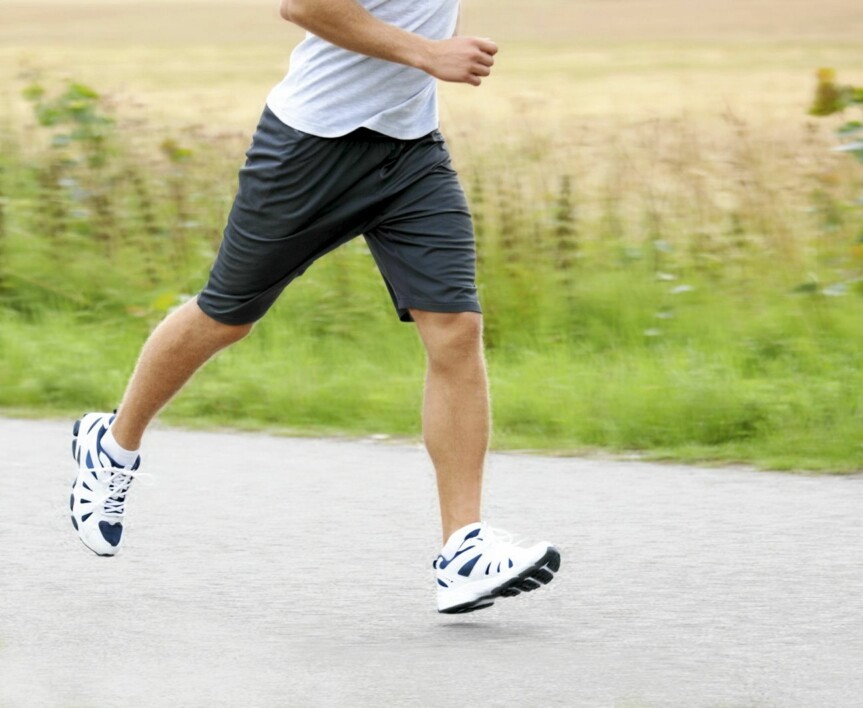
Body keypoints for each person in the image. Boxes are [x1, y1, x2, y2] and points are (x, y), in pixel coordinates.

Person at [68, 0, 560, 614]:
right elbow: (302, 4)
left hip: (410, 152)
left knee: (455, 327)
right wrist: (429, 54)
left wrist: (430, 54)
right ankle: (111, 445)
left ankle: (463, 549)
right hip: (310, 148)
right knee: (227, 316)